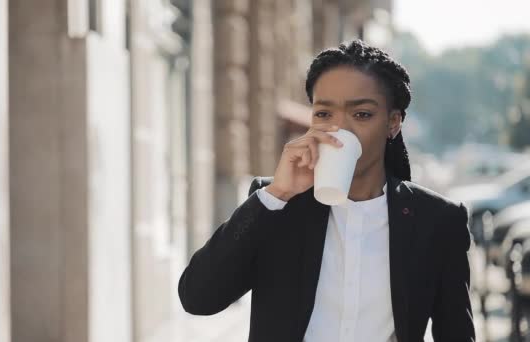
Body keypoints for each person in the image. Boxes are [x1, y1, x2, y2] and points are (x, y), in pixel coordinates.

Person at [178, 40, 475, 342]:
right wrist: (276, 194)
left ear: (393, 123)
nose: (339, 129)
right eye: (323, 114)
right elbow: (198, 297)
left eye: (361, 114)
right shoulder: (278, 206)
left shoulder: (437, 221)